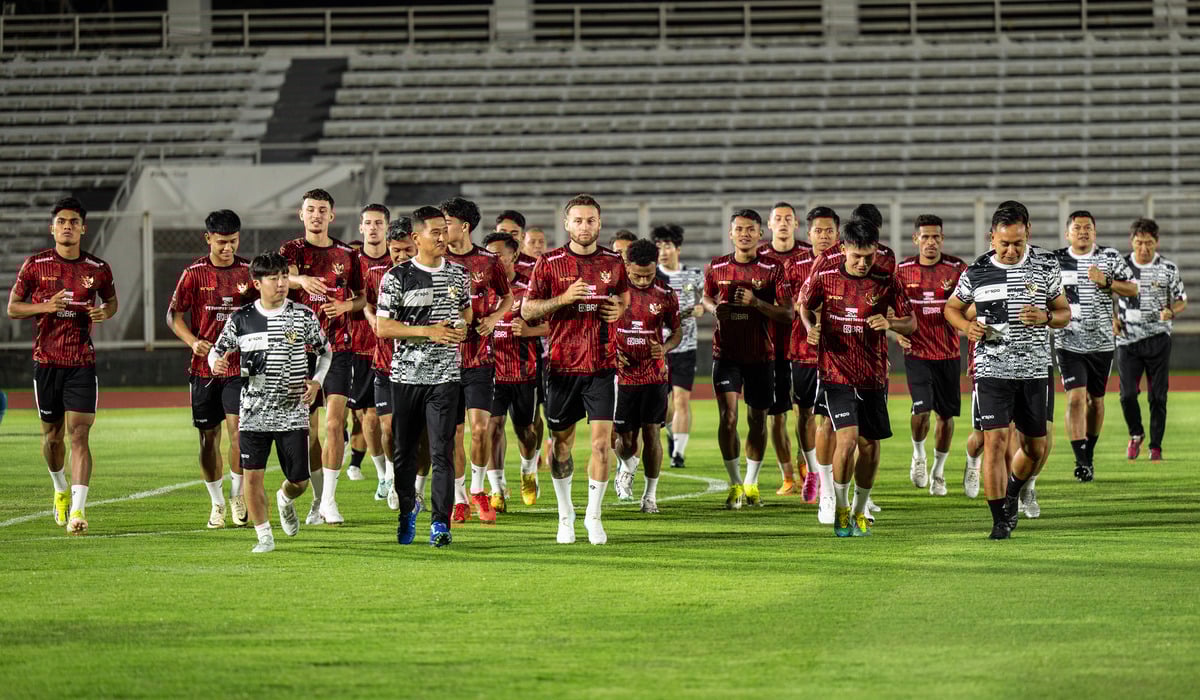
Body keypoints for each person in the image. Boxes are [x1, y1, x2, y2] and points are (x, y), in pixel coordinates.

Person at [945, 204, 1071, 539]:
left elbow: (1063, 313)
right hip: (991, 369)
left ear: (1027, 231)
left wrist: (1045, 317)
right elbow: (952, 308)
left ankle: (1014, 492)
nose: (1011, 250)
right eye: (1004, 244)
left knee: (1034, 448)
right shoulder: (977, 270)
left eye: (1017, 242)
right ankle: (999, 520)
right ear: (992, 238)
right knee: (995, 441)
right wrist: (965, 327)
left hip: (1033, 370)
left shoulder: (1046, 265)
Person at [7, 197, 118, 535]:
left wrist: (105, 312)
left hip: (82, 362)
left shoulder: (97, 269)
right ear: (52, 227)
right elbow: (13, 308)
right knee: (53, 438)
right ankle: (59, 488)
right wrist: (45, 307)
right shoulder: (34, 265)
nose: (67, 226)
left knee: (80, 435)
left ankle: (79, 512)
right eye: (61, 221)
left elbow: (111, 301)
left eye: (73, 221)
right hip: (47, 363)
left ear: (84, 228)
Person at [522, 194, 629, 545]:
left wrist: (618, 311)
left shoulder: (614, 262)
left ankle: (593, 518)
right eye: (578, 220)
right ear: (567, 224)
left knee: (601, 445)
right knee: (561, 447)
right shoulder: (548, 263)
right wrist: (564, 299)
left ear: (600, 223)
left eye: (591, 220)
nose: (585, 226)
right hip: (563, 367)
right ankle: (565, 514)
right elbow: (527, 311)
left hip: (602, 365)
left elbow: (623, 298)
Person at [209, 252, 332, 554]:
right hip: (253, 413)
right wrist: (216, 364)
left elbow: (325, 352)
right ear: (256, 283)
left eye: (284, 277)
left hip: (292, 412)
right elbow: (216, 351)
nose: (281, 284)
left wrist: (316, 382)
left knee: (300, 481)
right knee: (252, 477)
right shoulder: (242, 318)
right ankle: (264, 536)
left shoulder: (303, 316)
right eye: (274, 278)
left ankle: (285, 499)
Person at [799, 218, 915, 537]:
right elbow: (804, 307)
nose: (862, 263)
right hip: (836, 371)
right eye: (856, 256)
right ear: (844, 248)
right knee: (847, 439)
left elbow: (911, 323)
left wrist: (891, 325)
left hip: (873, 375)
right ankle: (839, 506)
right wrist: (812, 329)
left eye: (868, 256)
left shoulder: (887, 281)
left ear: (876, 249)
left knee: (870, 445)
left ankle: (861, 508)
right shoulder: (825, 276)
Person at [376, 206, 472, 547]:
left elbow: (466, 311)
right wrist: (428, 331)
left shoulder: (459, 276)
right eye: (435, 232)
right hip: (405, 376)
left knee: (442, 450)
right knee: (405, 452)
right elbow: (383, 326)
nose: (443, 237)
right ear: (417, 238)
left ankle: (440, 524)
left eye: (445, 231)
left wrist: (461, 329)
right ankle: (406, 512)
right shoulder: (397, 277)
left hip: (445, 377)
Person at [279, 188, 365, 525]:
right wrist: (301, 279)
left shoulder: (347, 254)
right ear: (301, 215)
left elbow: (361, 298)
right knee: (308, 430)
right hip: (299, 352)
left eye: (322, 210)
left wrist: (346, 305)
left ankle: (329, 501)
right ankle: (316, 498)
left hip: (338, 348)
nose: (316, 215)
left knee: (334, 424)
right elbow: (276, 281)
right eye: (310, 209)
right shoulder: (290, 251)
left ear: (332, 215)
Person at [167, 209, 255, 529]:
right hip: (203, 371)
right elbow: (173, 316)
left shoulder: (249, 272)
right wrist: (193, 342)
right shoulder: (193, 274)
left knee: (239, 434)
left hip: (238, 368)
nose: (227, 248)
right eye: (221, 242)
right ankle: (216, 502)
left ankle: (236, 497)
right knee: (208, 439)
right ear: (208, 239)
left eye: (232, 241)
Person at [702, 208, 793, 508]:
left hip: (760, 356)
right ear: (730, 234)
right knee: (728, 418)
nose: (744, 234)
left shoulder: (772, 270)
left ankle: (752, 484)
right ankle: (734, 484)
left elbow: (787, 313)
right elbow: (706, 297)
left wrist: (755, 302)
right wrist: (715, 309)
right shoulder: (716, 267)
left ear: (760, 234)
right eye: (739, 229)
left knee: (758, 420)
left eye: (750, 229)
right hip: (725, 354)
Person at [441, 196, 513, 523]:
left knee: (480, 429)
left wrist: (495, 317)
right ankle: (458, 498)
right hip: (444, 360)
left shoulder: (488, 261)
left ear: (464, 226)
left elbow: (508, 297)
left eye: (448, 224)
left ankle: (479, 489)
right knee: (454, 434)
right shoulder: (435, 260)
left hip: (480, 358)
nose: (443, 230)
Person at [1052, 211, 1136, 482]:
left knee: (1095, 401)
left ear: (1095, 232)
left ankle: (1089, 453)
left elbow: (1133, 289)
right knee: (1076, 398)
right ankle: (1080, 459)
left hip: (1101, 343)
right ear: (1068, 234)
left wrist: (1107, 281)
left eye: (1088, 227)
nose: (1083, 232)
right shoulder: (1055, 261)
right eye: (1077, 228)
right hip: (1068, 341)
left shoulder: (1109, 257)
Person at [894, 215, 966, 497]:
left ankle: (938, 472)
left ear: (942, 239)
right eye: (925, 237)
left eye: (936, 237)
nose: (931, 242)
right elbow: (889, 310)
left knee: (946, 417)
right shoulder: (902, 271)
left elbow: (970, 305)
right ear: (916, 240)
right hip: (917, 353)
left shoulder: (957, 269)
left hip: (948, 353)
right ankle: (918, 454)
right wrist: (895, 331)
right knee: (921, 409)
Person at [612, 239, 682, 513]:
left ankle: (650, 496)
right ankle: (627, 464)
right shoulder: (613, 293)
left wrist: (663, 348)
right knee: (624, 441)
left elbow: (677, 332)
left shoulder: (665, 294)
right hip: (622, 376)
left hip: (654, 375)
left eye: (649, 275)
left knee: (652, 433)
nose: (642, 280)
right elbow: (597, 329)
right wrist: (612, 353)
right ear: (626, 266)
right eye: (636, 274)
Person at [781, 206, 840, 518]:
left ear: (838, 233)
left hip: (837, 355)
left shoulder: (847, 262)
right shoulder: (794, 265)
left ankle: (829, 483)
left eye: (829, 230)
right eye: (818, 230)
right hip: (803, 351)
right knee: (804, 415)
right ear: (808, 234)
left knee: (829, 419)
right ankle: (813, 469)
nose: (824, 236)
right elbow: (788, 305)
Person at [483, 232, 548, 508]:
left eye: (498, 255)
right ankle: (496, 488)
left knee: (526, 431)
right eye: (488, 255)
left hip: (525, 370)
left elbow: (553, 326)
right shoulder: (481, 290)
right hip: (490, 370)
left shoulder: (530, 288)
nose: (492, 260)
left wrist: (530, 330)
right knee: (492, 427)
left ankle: (527, 471)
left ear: (513, 255)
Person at [1115, 218, 1187, 462]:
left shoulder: (1168, 268)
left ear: (1157, 242)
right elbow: (1104, 295)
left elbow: (1181, 298)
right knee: (1126, 395)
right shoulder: (1121, 266)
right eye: (1139, 243)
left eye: (1148, 243)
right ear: (1131, 242)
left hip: (1158, 338)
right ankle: (1136, 434)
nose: (1143, 248)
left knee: (1158, 396)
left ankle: (1155, 447)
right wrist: (1112, 318)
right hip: (1127, 340)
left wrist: (1172, 310)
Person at [757, 202, 811, 495]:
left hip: (804, 348)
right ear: (769, 224)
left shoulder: (808, 254)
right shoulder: (761, 257)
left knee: (806, 413)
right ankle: (787, 475)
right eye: (777, 218)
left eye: (788, 219)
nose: (783, 223)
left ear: (796, 223)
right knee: (776, 416)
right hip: (772, 347)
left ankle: (807, 466)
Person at [362, 217, 414, 510]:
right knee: (389, 427)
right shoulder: (377, 274)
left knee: (418, 435)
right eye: (395, 250)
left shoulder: (430, 275)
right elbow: (368, 304)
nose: (401, 256)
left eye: (406, 249)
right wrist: (373, 320)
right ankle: (393, 479)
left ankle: (413, 482)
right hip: (384, 364)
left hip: (418, 367)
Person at [651, 224, 704, 470]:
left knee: (682, 400)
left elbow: (708, 299)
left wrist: (701, 307)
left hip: (686, 347)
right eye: (659, 246)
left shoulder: (694, 274)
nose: (663, 251)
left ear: (678, 248)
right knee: (664, 404)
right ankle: (673, 433)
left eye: (668, 246)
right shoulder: (652, 277)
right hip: (659, 347)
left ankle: (678, 454)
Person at [346, 204, 392, 483]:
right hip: (360, 349)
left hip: (395, 349)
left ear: (386, 227)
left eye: (378, 223)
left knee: (393, 421)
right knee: (369, 417)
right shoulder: (351, 262)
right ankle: (383, 474)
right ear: (360, 228)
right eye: (368, 223)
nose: (373, 227)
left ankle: (397, 472)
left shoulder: (398, 260)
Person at [495, 209, 539, 277]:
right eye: (503, 232)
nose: (507, 237)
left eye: (514, 233)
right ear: (494, 234)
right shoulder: (484, 264)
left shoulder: (535, 267)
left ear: (522, 236)